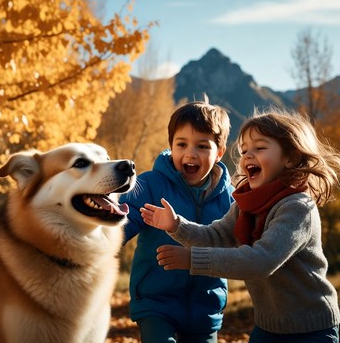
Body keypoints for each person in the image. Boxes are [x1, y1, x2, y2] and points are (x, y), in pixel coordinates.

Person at [140, 107, 340, 343]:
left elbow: (260, 261)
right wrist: (176, 226)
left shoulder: (297, 207)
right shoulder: (247, 204)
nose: (247, 156)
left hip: (311, 329)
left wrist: (192, 259)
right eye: (244, 150)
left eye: (260, 148)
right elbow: (216, 235)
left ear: (290, 158)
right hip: (268, 328)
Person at [121, 96, 234, 343]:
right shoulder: (150, 185)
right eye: (181, 144)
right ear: (171, 145)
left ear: (219, 153)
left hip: (206, 305)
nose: (190, 153)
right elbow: (122, 221)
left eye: (202, 146)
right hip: (156, 302)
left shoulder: (230, 198)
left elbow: (238, 247)